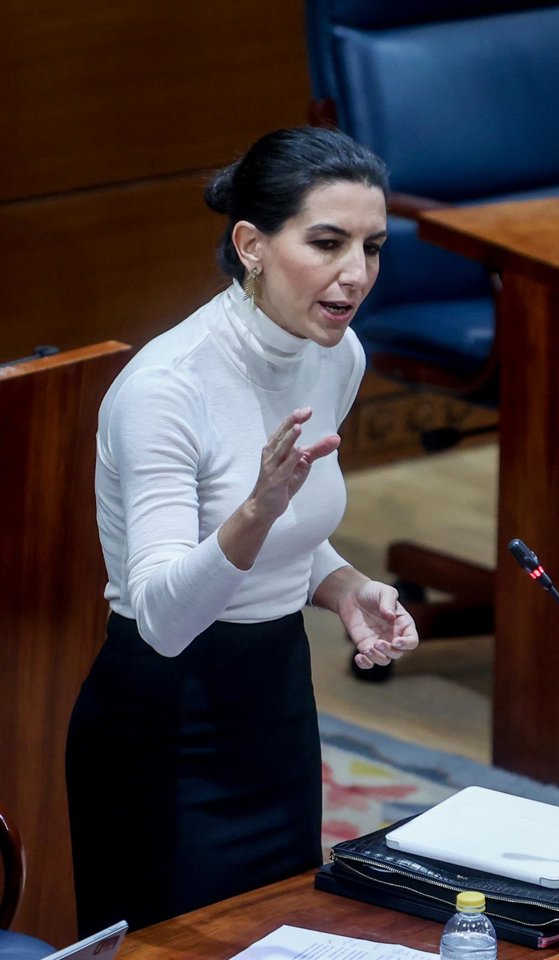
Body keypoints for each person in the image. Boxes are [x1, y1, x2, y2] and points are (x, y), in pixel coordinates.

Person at [65, 125, 419, 936]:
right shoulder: (164, 388)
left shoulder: (338, 355)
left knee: (282, 936)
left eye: (371, 247)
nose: (356, 273)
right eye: (326, 243)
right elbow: (163, 618)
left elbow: (291, 524)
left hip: (276, 699)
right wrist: (256, 511)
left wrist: (341, 585)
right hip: (166, 724)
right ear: (251, 245)